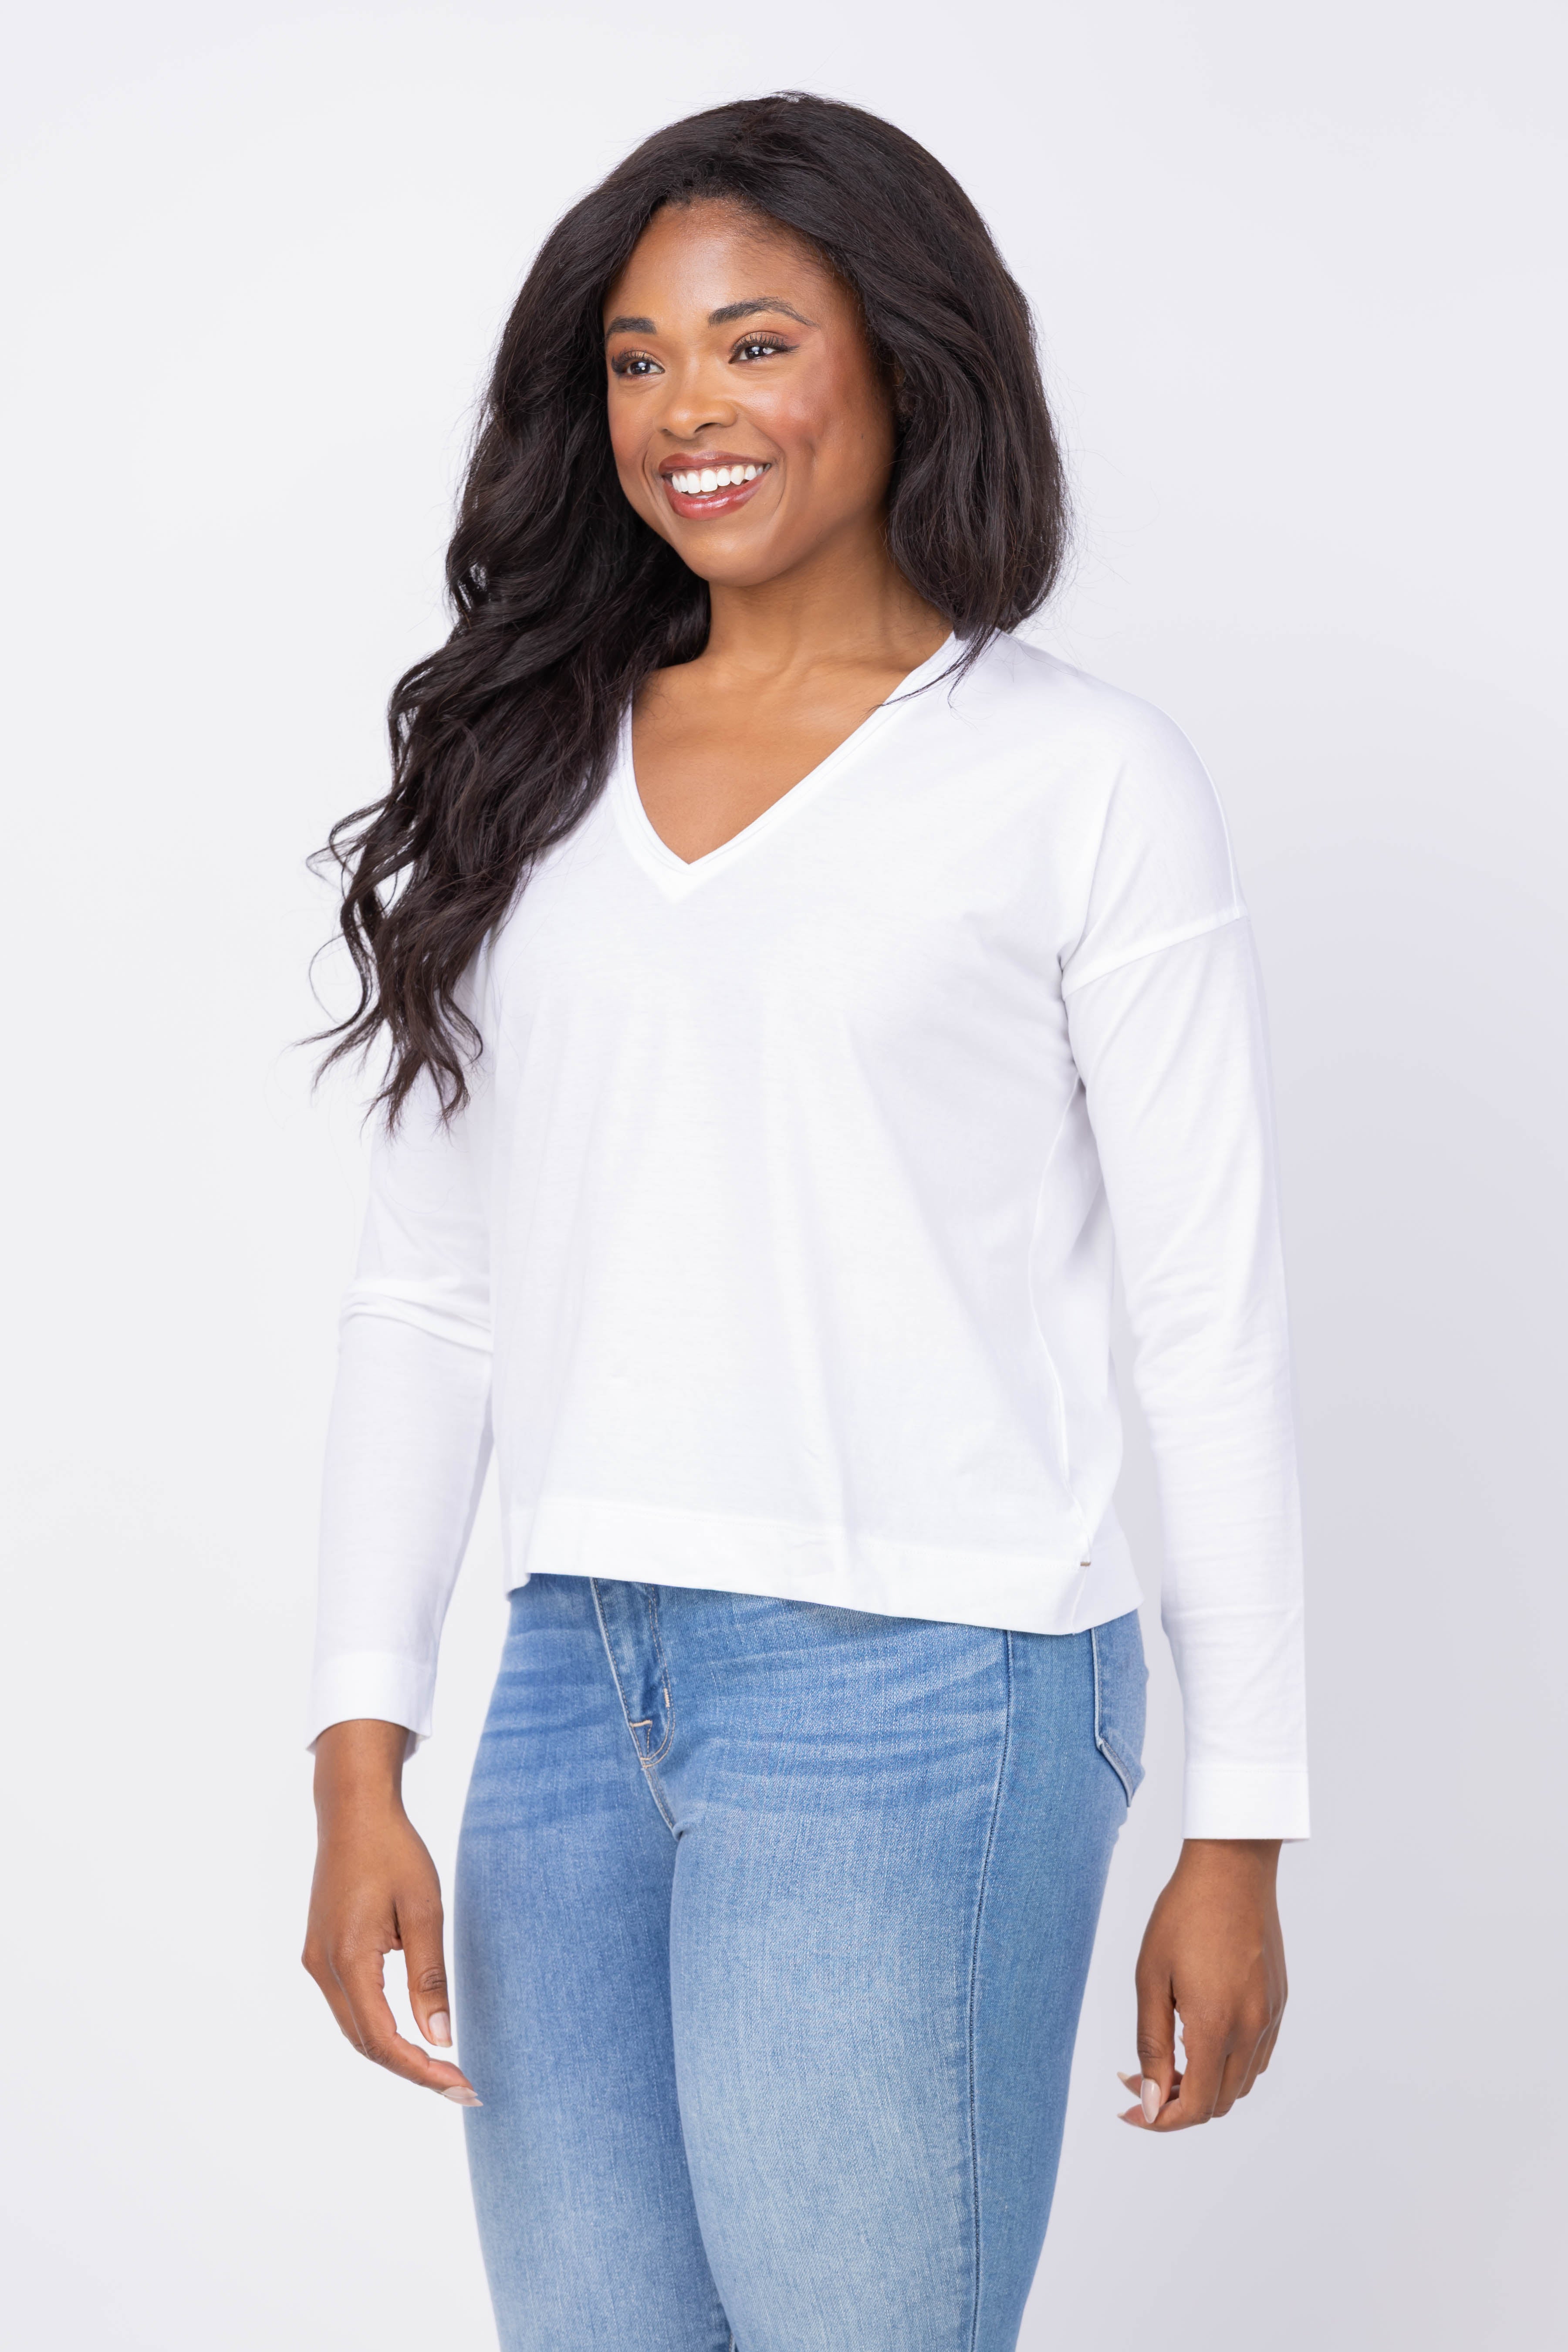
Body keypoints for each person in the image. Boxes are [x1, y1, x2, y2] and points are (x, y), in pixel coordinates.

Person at [302, 91, 1307, 2352]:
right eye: (637, 360)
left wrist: (1242, 1823)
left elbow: (1206, 1319)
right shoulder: (528, 776)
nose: (689, 409)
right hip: (573, 1694)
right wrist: (363, 1746)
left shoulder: (1080, 780)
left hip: (928, 1687)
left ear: (907, 357)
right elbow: (427, 1292)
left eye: (755, 343)